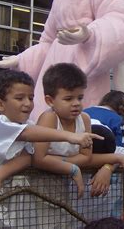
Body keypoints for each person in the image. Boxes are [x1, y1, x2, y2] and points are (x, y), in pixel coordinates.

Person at [0, 70, 102, 207]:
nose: (27, 103)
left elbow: (27, 158)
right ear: (0, 104)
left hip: (14, 198)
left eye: (31, 98)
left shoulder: (28, 125)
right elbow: (28, 133)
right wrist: (72, 136)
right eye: (20, 98)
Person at [32, 63, 94, 199]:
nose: (76, 103)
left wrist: (55, 161)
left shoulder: (84, 119)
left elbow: (87, 157)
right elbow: (38, 159)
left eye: (80, 98)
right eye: (68, 98)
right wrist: (72, 167)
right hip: (40, 187)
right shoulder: (49, 118)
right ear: (50, 101)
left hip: (69, 186)